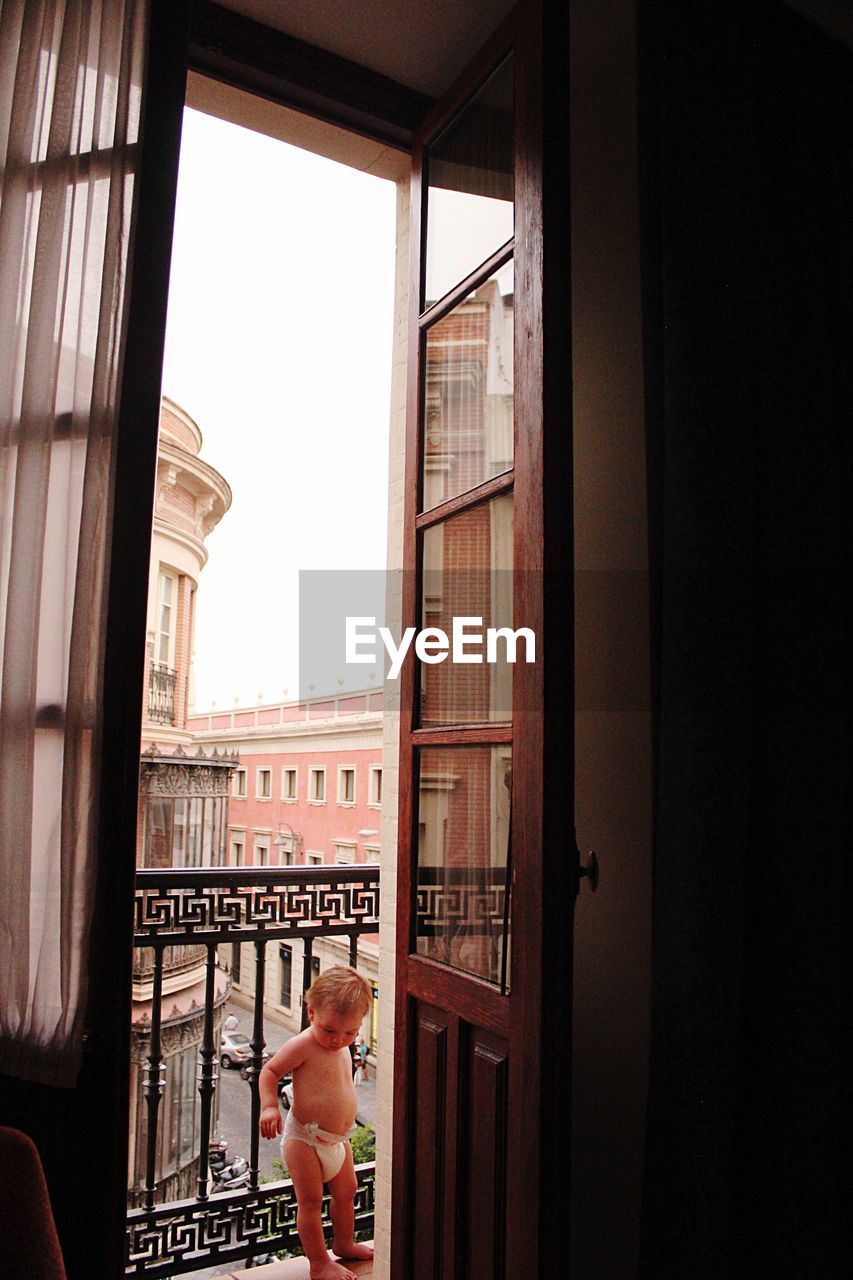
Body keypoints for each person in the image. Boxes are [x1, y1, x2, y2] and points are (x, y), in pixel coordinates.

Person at [259, 966, 374, 1280]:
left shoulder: (341, 1041)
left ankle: (345, 1243)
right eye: (330, 1031)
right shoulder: (305, 1044)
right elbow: (269, 1072)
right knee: (310, 1202)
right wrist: (270, 1107)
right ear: (311, 1013)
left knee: (347, 1192)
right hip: (305, 1138)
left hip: (337, 1139)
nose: (338, 1040)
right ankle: (318, 1262)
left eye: (349, 1033)